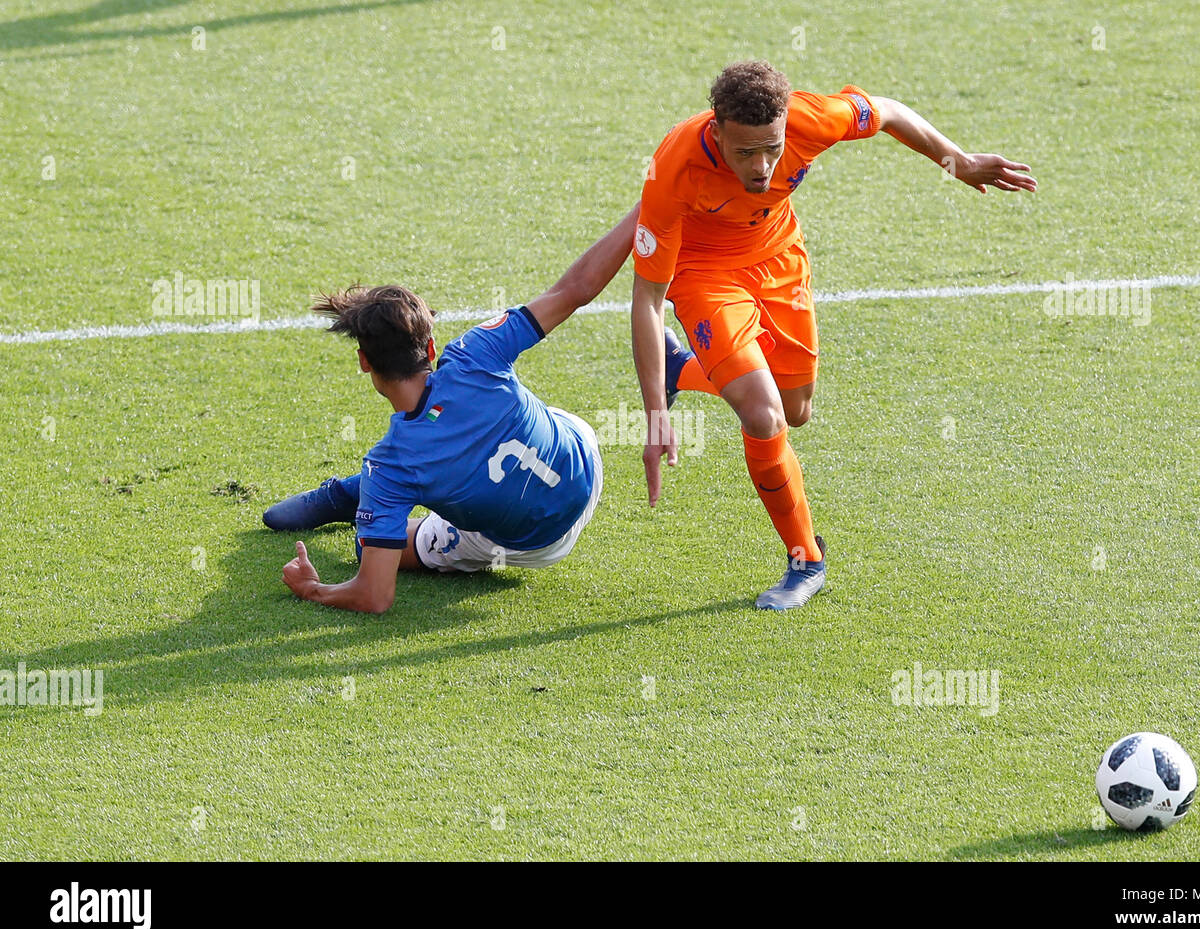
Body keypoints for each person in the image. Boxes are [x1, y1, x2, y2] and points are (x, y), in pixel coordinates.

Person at [630, 61, 1036, 609]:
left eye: (772, 149)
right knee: (764, 416)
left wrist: (957, 162)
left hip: (780, 260)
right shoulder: (674, 167)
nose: (763, 167)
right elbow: (648, 300)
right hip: (704, 275)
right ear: (716, 128)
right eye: (746, 152)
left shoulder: (808, 119)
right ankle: (806, 558)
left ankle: (683, 370)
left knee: (795, 410)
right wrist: (654, 414)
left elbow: (888, 112)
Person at [265, 207, 639, 613]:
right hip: (584, 453)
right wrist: (646, 207)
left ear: (364, 362)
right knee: (504, 407)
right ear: (429, 349)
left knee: (367, 545)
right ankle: (356, 497)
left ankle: (350, 497)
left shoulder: (390, 466)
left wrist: (313, 589)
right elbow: (577, 288)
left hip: (540, 543)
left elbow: (374, 595)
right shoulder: (475, 352)